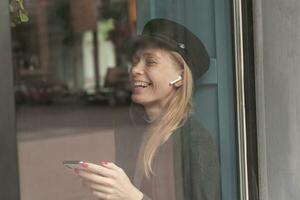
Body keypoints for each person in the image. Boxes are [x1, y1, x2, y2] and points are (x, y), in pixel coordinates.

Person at [74, 18, 220, 200]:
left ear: (180, 76)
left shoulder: (194, 142)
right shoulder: (130, 130)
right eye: (135, 61)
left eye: (150, 62)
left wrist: (132, 196)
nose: (135, 69)